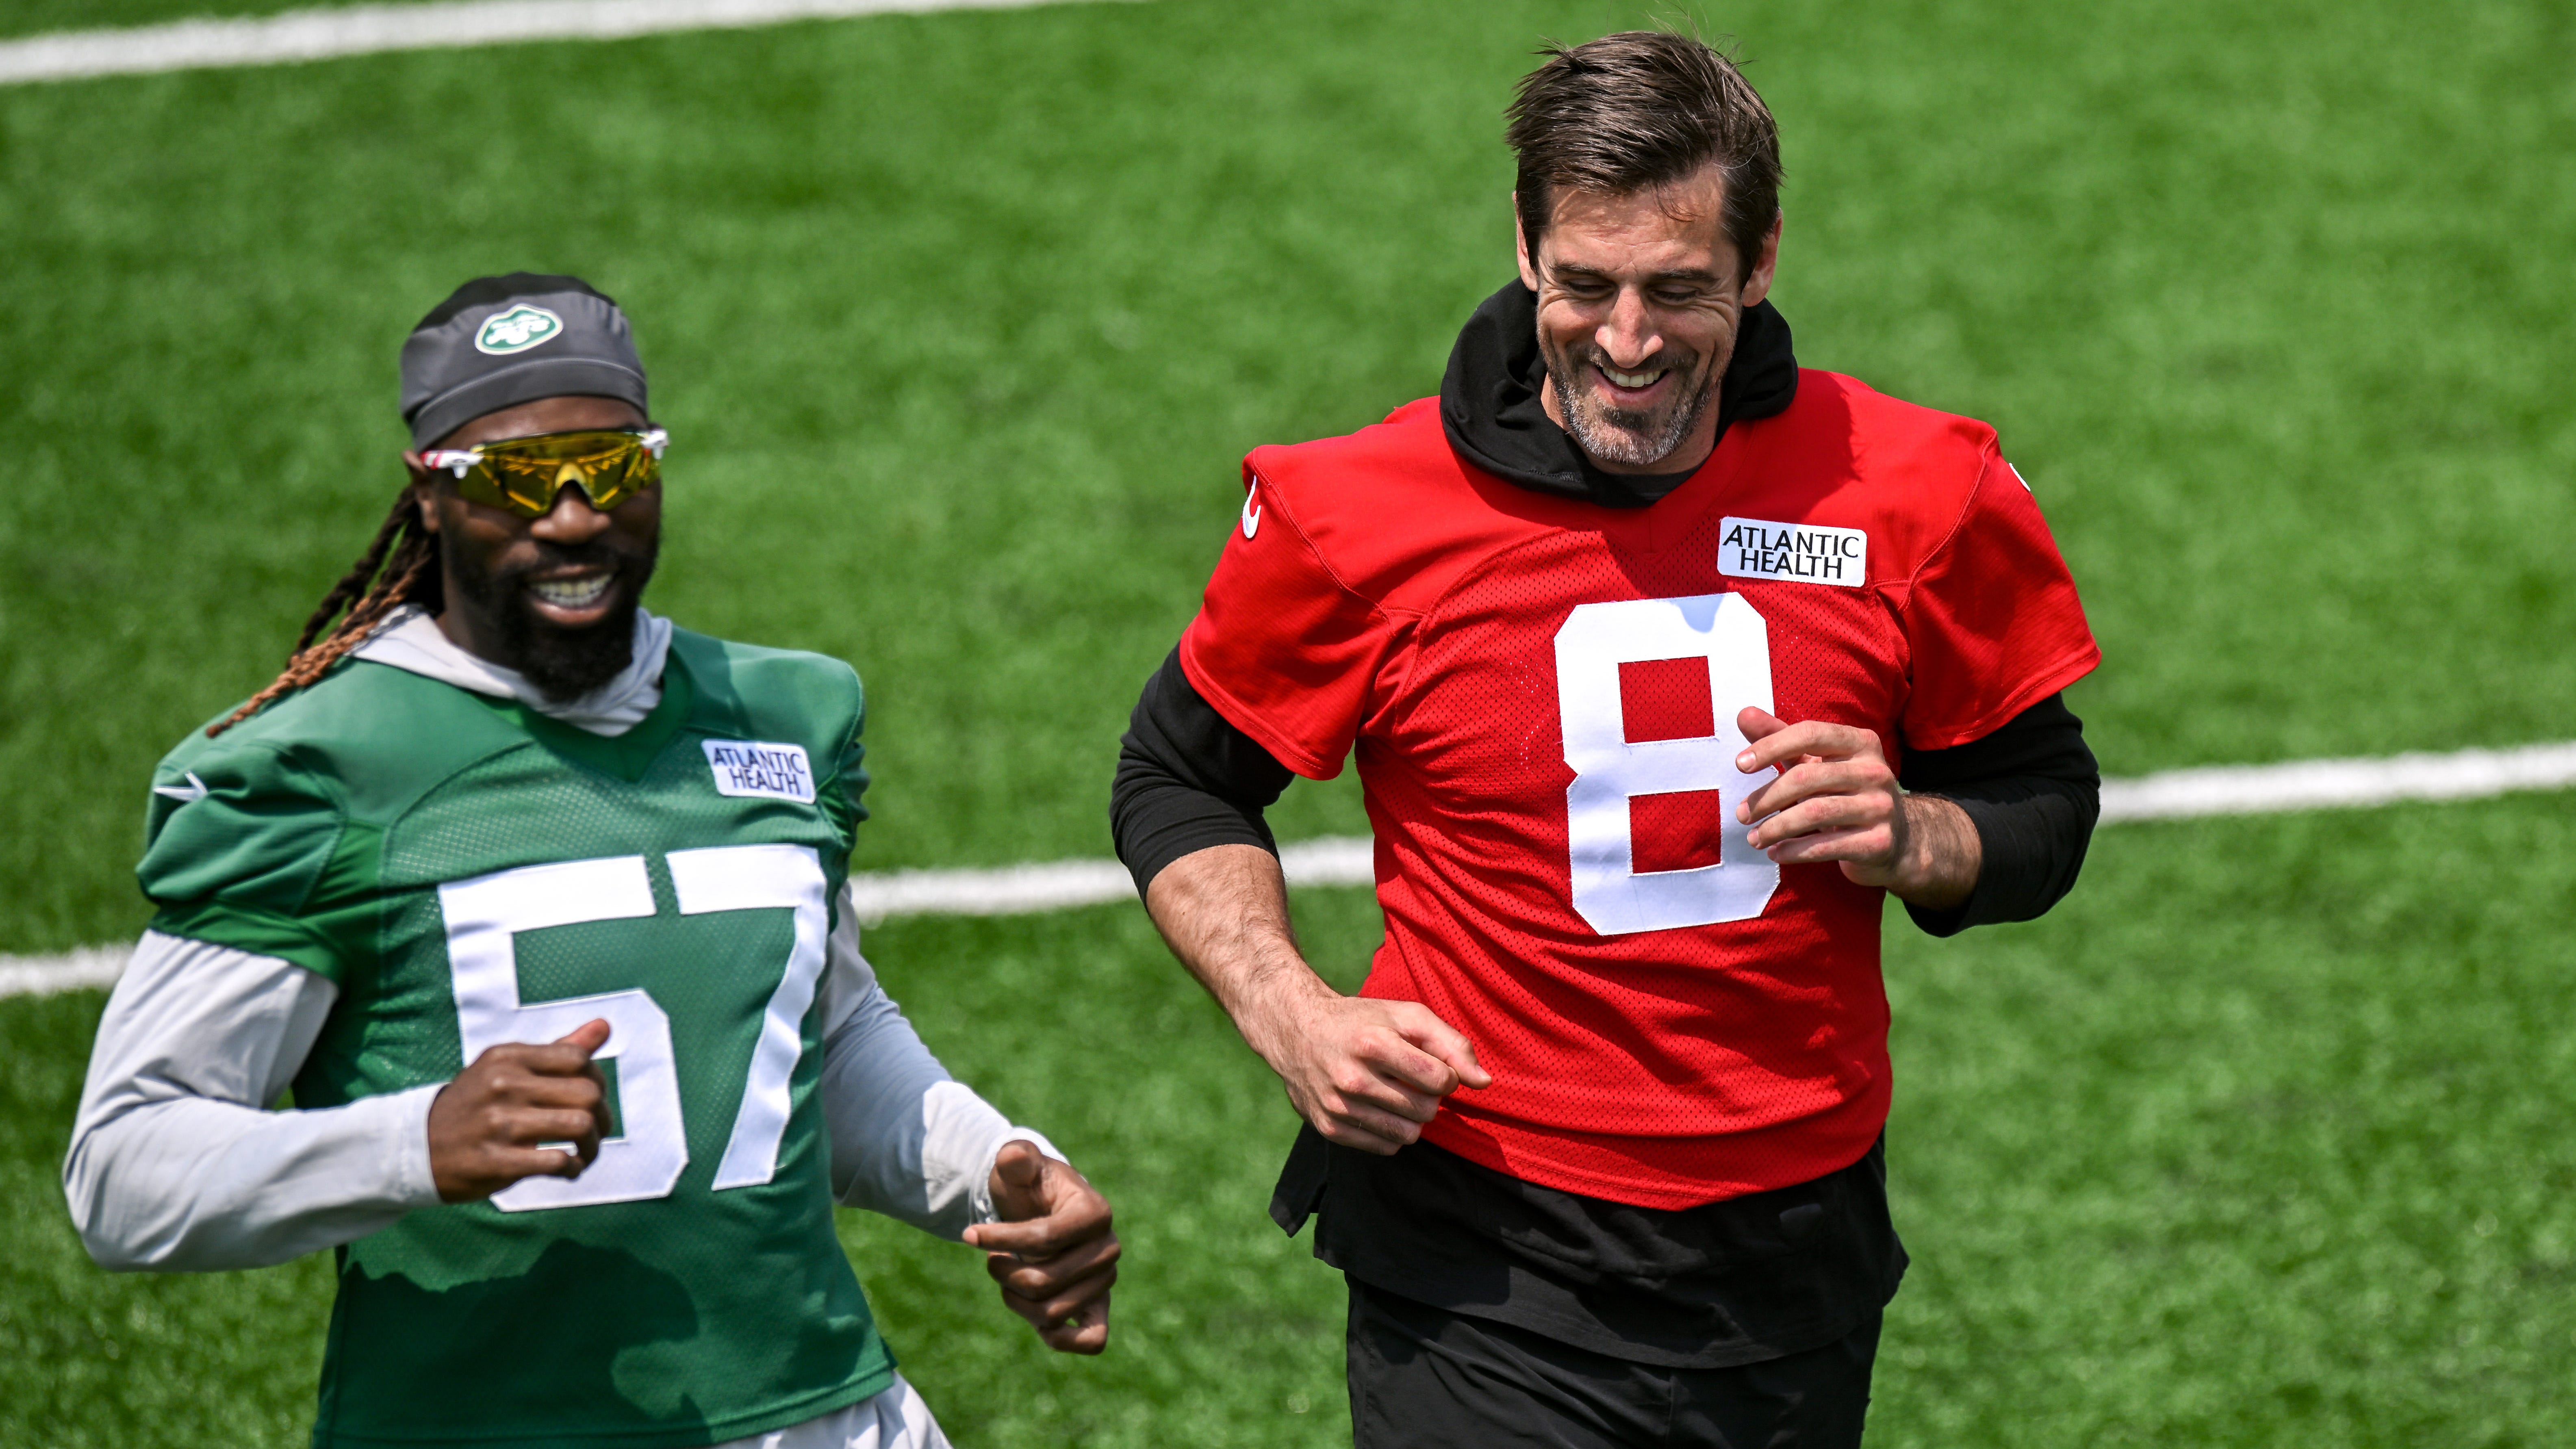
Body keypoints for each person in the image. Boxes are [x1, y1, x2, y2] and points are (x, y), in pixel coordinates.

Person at [1110, 32, 2101, 1448]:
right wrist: (1292, 1014)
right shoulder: (1358, 513)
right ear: (1523, 247)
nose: (1626, 342)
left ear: (1760, 265)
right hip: (1480, 1252)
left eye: (1679, 290)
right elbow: (1177, 779)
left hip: (1793, 1251)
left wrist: (1917, 836)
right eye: (1585, 284)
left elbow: (2042, 803)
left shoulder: (1915, 489)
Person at [65, 274, 1118, 1449]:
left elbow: (816, 1033)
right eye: (516, 479)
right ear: (429, 497)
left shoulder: (780, 715)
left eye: (611, 468)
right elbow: (124, 1171)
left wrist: (1000, 1168)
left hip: (828, 1417)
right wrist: (413, 1144)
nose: (572, 518)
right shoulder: (316, 772)